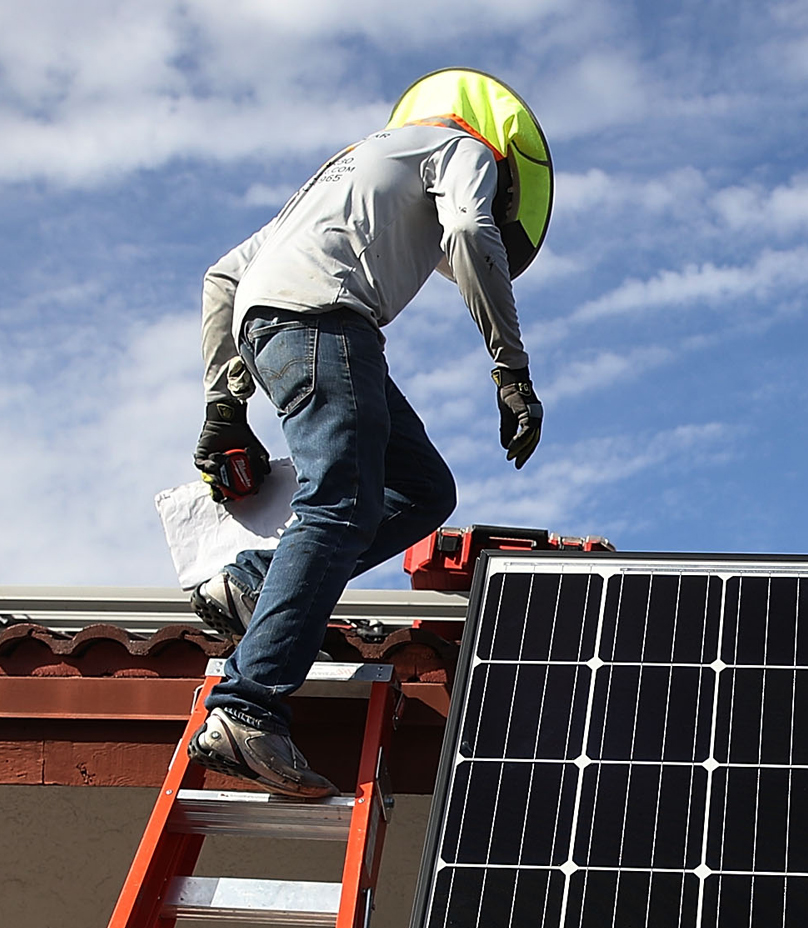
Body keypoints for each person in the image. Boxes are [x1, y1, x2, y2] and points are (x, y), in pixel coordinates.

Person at [185, 69, 554, 796]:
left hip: (281, 328)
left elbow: (224, 278)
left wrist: (224, 407)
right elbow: (472, 231)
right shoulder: (462, 151)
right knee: (342, 503)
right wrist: (511, 372)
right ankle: (247, 706)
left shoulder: (351, 165)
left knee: (420, 489)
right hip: (327, 323)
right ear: (508, 161)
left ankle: (257, 587)